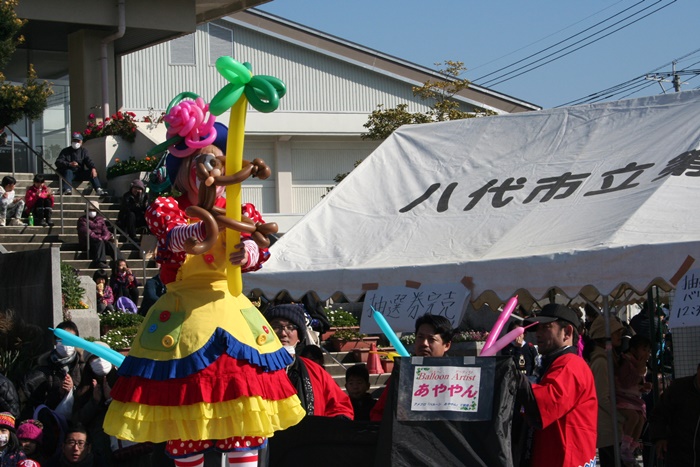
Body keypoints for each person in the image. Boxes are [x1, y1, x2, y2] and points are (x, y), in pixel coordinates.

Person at [102, 114, 303, 467]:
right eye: (200, 164)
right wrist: (200, 230)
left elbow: (261, 245)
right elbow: (171, 237)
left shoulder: (240, 209)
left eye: (217, 163)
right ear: (182, 171)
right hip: (183, 321)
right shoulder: (168, 207)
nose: (209, 172)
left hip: (231, 313)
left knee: (242, 414)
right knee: (185, 421)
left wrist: (248, 251)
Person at [515, 304, 597, 467]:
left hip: (565, 459)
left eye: (546, 327)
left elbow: (544, 403)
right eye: (537, 328)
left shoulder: (570, 364)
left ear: (567, 332)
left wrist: (513, 378)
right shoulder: (557, 363)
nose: (538, 334)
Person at [264, 304, 354, 419]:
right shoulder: (255, 368)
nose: (283, 333)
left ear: (299, 336)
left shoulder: (315, 371)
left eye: (290, 327)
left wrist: (338, 421)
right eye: (276, 326)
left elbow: (340, 405)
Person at [369, 313, 454, 422]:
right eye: (420, 337)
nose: (424, 343)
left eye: (431, 339)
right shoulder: (403, 372)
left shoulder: (457, 375)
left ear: (446, 345)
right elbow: (379, 412)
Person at [19, 321, 84, 420]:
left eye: (70, 340)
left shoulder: (83, 367)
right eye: (61, 339)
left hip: (77, 423)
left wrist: (73, 389)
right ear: (54, 341)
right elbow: (28, 402)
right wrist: (58, 393)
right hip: (49, 423)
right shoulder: (41, 368)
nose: (66, 344)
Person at [72, 342, 119, 465]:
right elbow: (77, 420)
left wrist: (111, 400)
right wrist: (94, 401)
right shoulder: (84, 388)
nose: (100, 360)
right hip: (98, 448)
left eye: (103, 356)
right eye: (95, 358)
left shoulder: (123, 381)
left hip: (123, 446)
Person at [586, 314, 624, 467]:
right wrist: (621, 417)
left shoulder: (606, 357)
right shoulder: (601, 362)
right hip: (608, 428)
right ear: (605, 335)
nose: (620, 335)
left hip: (610, 427)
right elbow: (602, 397)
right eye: (615, 332)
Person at [648, 362, 700, 467]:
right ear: (698, 370)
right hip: (678, 452)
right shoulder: (679, 388)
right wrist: (659, 437)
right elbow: (658, 414)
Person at [616, 334, 652, 464]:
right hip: (622, 396)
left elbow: (638, 384)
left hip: (634, 398)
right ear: (633, 350)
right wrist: (639, 370)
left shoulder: (640, 365)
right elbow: (626, 383)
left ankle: (631, 448)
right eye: (644, 349)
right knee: (633, 417)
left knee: (641, 419)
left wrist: (644, 387)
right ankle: (624, 447)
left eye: (648, 350)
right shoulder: (627, 362)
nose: (647, 353)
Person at [76, 201, 122, 269]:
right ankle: (100, 262)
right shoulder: (82, 220)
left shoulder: (100, 219)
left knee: (110, 244)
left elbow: (106, 231)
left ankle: (121, 261)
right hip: (88, 242)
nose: (92, 212)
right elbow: (87, 232)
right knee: (99, 242)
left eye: (94, 210)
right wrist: (99, 238)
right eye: (90, 210)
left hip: (101, 241)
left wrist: (104, 238)